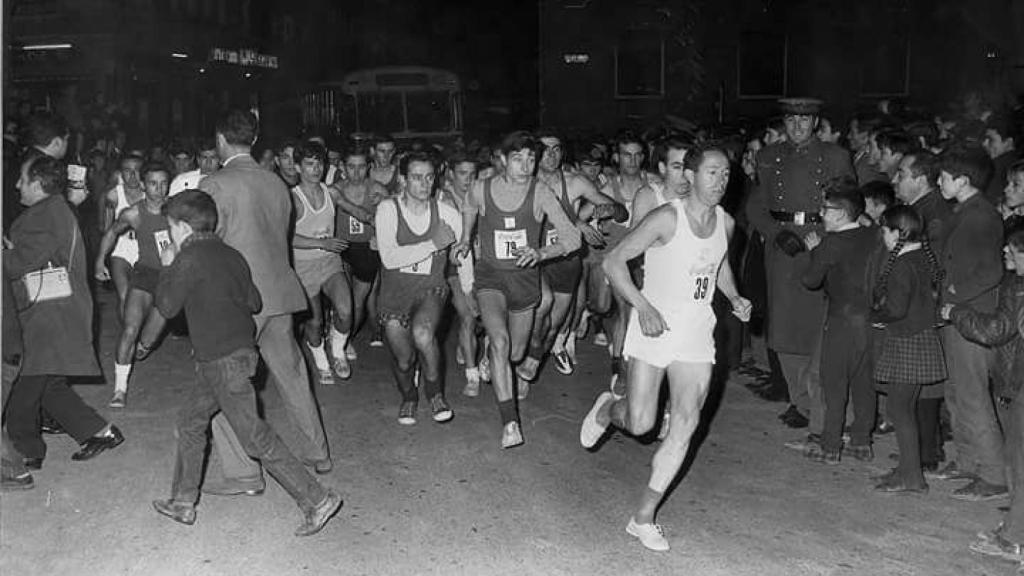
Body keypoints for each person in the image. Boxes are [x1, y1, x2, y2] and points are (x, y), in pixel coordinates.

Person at [580, 145, 751, 551]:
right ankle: (608, 408)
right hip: (653, 329)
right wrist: (643, 307)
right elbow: (614, 263)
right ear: (690, 176)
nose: (721, 182)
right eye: (712, 173)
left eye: (726, 174)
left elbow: (719, 265)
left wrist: (736, 296)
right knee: (640, 424)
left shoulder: (725, 223)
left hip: (695, 335)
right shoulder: (666, 218)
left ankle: (643, 517)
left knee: (685, 425)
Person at [150, 189, 342, 536]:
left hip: (222, 361)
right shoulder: (231, 255)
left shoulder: (187, 258)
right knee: (191, 420)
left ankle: (316, 498)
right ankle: (182, 501)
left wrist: (166, 267)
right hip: (236, 355)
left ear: (180, 228)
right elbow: (253, 301)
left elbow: (166, 307)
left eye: (171, 227)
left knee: (255, 438)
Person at [200, 110, 332, 490]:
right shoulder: (277, 184)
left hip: (238, 299)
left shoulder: (215, 184)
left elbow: (208, 245)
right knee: (292, 374)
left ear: (221, 140)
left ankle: (242, 472)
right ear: (253, 140)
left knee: (226, 379)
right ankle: (317, 452)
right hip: (278, 293)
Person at [453, 131, 581, 448]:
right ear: (502, 160)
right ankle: (510, 422)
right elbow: (470, 204)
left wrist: (541, 253)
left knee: (515, 352)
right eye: (517, 158)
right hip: (491, 277)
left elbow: (573, 238)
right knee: (499, 341)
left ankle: (491, 359)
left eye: (531, 159)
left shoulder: (541, 193)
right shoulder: (482, 188)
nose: (525, 165)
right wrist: (466, 238)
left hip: (525, 280)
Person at [4, 154, 124, 468]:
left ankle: (24, 452)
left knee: (24, 385)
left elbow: (18, 264)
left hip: (48, 315)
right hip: (58, 311)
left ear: (39, 184)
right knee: (49, 385)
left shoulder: (41, 216)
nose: (17, 185)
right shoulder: (55, 209)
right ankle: (100, 432)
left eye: (22, 179)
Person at [746, 97, 854, 432]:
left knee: (816, 326)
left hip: (819, 242)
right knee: (784, 327)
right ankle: (798, 399)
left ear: (816, 122)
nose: (797, 126)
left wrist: (824, 235)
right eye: (791, 120)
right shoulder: (768, 156)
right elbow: (756, 207)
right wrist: (775, 233)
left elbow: (850, 203)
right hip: (781, 249)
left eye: (804, 121)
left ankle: (819, 401)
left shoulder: (836, 157)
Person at [518, 130, 625, 383]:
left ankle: (535, 357)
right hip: (533, 257)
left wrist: (612, 209)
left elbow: (618, 212)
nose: (551, 155)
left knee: (555, 323)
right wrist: (577, 221)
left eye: (556, 149)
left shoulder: (575, 182)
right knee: (537, 313)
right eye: (544, 149)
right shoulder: (523, 181)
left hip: (565, 259)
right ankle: (523, 360)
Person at [376, 151, 471, 424]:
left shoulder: (447, 213)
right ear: (403, 180)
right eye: (417, 178)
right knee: (404, 360)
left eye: (429, 177)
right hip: (395, 294)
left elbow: (463, 255)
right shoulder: (388, 209)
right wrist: (433, 244)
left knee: (423, 334)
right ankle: (408, 396)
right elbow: (390, 258)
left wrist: (469, 289)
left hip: (431, 288)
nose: (424, 184)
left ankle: (434, 393)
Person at [936, 146, 1007, 501]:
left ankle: (994, 475)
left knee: (973, 395)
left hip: (971, 318)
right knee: (956, 391)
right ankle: (967, 461)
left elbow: (993, 271)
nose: (939, 182)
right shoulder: (966, 211)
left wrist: (955, 293)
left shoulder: (980, 216)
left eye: (944, 177)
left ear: (962, 180)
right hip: (956, 316)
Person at [952, 228, 1024, 560]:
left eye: (1012, 250)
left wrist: (956, 313)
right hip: (1016, 380)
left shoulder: (1018, 290)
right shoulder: (1016, 285)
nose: (1005, 255)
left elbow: (996, 330)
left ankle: (1013, 538)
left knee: (1020, 461)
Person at [798, 179, 880, 464]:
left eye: (826, 208)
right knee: (863, 384)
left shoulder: (831, 243)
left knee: (834, 384)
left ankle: (830, 445)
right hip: (870, 320)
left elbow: (811, 280)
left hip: (841, 320)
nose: (822, 213)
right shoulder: (873, 235)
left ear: (842, 214)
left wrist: (815, 252)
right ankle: (861, 441)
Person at [871, 206, 947, 493]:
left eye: (885, 230)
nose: (883, 235)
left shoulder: (902, 264)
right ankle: (906, 469)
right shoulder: (921, 257)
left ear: (895, 233)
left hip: (908, 341)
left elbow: (897, 308)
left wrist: (875, 317)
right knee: (904, 407)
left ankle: (912, 478)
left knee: (899, 409)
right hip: (921, 337)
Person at [95, 163, 173, 408]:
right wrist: (99, 261)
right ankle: (119, 390)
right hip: (145, 273)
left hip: (172, 278)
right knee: (130, 327)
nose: (158, 189)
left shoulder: (178, 209)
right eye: (152, 183)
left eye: (163, 183)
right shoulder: (133, 213)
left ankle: (145, 344)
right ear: (143, 184)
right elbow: (110, 233)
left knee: (147, 341)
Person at [289, 141, 353, 382]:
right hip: (304, 267)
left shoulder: (331, 192)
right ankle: (319, 357)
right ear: (297, 167)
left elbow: (358, 211)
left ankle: (337, 351)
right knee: (314, 322)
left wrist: (378, 212)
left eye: (320, 164)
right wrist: (322, 243)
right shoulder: (292, 199)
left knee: (346, 311)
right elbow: (286, 237)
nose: (316, 170)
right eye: (309, 165)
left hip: (330, 263)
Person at [334, 145, 388, 359]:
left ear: (369, 167)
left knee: (357, 301)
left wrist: (381, 235)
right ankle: (339, 337)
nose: (356, 172)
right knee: (342, 300)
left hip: (367, 249)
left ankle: (344, 339)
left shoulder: (378, 189)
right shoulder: (334, 189)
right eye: (351, 167)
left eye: (361, 167)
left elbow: (394, 221)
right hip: (341, 247)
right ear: (342, 167)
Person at [439, 149, 482, 396]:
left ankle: (467, 347)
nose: (468, 179)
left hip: (477, 264)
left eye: (472, 174)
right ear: (450, 174)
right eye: (463, 173)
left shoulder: (480, 195)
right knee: (467, 316)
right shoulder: (443, 198)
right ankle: (472, 374)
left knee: (478, 317)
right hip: (450, 268)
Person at [99, 154, 145, 319]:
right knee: (124, 296)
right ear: (120, 173)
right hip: (121, 247)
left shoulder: (151, 192)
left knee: (141, 299)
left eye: (137, 170)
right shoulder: (113, 194)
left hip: (144, 248)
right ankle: (129, 336)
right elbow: (107, 228)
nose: (132, 175)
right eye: (127, 170)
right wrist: (102, 258)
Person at [982, 113, 1020, 206]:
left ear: (1008, 142)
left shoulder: (997, 168)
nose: (985, 144)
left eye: (991, 140)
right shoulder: (1017, 163)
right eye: (985, 139)